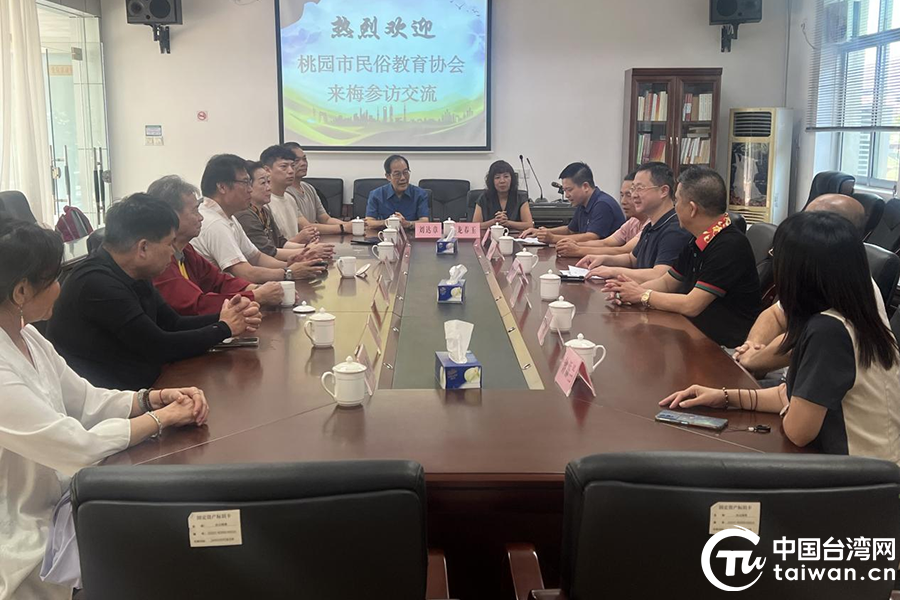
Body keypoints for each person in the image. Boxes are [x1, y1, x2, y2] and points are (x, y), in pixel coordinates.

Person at [0, 220, 210, 600]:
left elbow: (86, 400)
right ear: (20, 291)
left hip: (64, 501)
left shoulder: (27, 335)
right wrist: (159, 420)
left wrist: (150, 399)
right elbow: (74, 445)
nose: (60, 287)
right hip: (21, 534)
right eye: (53, 279)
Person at [662, 211, 900, 462]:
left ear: (800, 270)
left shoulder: (828, 332)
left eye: (777, 256)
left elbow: (799, 432)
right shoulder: (852, 313)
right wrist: (724, 397)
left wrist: (789, 403)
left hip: (864, 475)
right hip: (868, 466)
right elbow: (791, 396)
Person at [48, 194, 260, 389]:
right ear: (143, 248)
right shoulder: (97, 284)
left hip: (141, 384)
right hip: (110, 401)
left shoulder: (134, 271)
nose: (173, 252)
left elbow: (172, 323)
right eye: (169, 244)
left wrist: (227, 317)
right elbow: (159, 346)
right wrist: (224, 328)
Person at [604, 167, 761, 348]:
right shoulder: (699, 239)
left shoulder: (729, 245)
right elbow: (667, 282)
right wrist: (628, 292)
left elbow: (691, 305)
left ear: (692, 209)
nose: (674, 206)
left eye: (677, 200)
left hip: (723, 347)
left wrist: (642, 295)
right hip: (693, 333)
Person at [733, 193, 883, 377]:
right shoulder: (820, 271)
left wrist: (752, 360)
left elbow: (800, 344)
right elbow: (776, 315)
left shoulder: (850, 291)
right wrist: (753, 346)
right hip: (795, 382)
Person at [148, 174, 285, 315]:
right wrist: (256, 296)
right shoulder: (161, 259)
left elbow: (219, 281)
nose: (201, 217)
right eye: (195, 210)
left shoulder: (186, 250)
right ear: (171, 215)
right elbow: (197, 305)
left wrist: (255, 289)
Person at [190, 154, 328, 284]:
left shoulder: (228, 217)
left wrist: (289, 265)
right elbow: (246, 273)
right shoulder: (215, 223)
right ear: (222, 187)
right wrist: (289, 272)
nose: (250, 189)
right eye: (245, 182)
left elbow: (257, 257)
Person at [577, 163, 692, 283]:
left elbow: (659, 275)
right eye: (633, 189)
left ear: (663, 191)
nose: (634, 195)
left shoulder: (674, 229)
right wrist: (603, 259)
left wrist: (613, 271)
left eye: (640, 188)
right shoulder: (650, 225)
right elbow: (632, 259)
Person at [519, 162, 625, 244]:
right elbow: (570, 230)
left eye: (569, 190)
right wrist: (541, 232)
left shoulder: (602, 205)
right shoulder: (583, 203)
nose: (566, 195)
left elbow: (591, 237)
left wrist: (553, 238)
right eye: (565, 190)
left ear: (585, 186)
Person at [555, 171, 644, 258]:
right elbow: (606, 243)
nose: (623, 201)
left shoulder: (603, 204)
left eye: (629, 195)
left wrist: (578, 250)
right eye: (622, 195)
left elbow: (623, 250)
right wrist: (573, 245)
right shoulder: (633, 221)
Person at [235, 161, 300, 259]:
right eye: (263, 183)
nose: (269, 188)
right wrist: (307, 251)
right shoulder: (245, 215)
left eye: (268, 182)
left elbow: (280, 242)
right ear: (248, 186)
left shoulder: (264, 211)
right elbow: (267, 252)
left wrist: (307, 248)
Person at [259, 144, 320, 245]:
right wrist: (299, 238)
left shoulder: (290, 198)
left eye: (292, 166)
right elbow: (270, 248)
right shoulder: (264, 203)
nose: (291, 171)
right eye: (284, 166)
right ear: (267, 170)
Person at [284, 141, 348, 234]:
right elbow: (306, 227)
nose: (303, 163)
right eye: (297, 161)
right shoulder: (285, 192)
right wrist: (343, 228)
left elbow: (325, 219)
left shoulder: (308, 188)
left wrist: (351, 225)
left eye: (304, 159)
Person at [365, 154, 430, 229]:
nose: (403, 178)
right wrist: (388, 222)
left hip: (411, 235)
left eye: (405, 172)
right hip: (383, 235)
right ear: (388, 176)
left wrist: (408, 224)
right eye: (397, 174)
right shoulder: (376, 195)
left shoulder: (420, 194)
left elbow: (425, 221)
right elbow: (369, 222)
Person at [471, 160, 533, 231]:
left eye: (506, 176)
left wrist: (508, 223)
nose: (502, 181)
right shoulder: (483, 198)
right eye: (497, 177)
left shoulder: (521, 197)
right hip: (490, 236)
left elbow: (529, 225)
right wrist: (494, 221)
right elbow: (474, 226)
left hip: (515, 236)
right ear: (491, 181)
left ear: (512, 179)